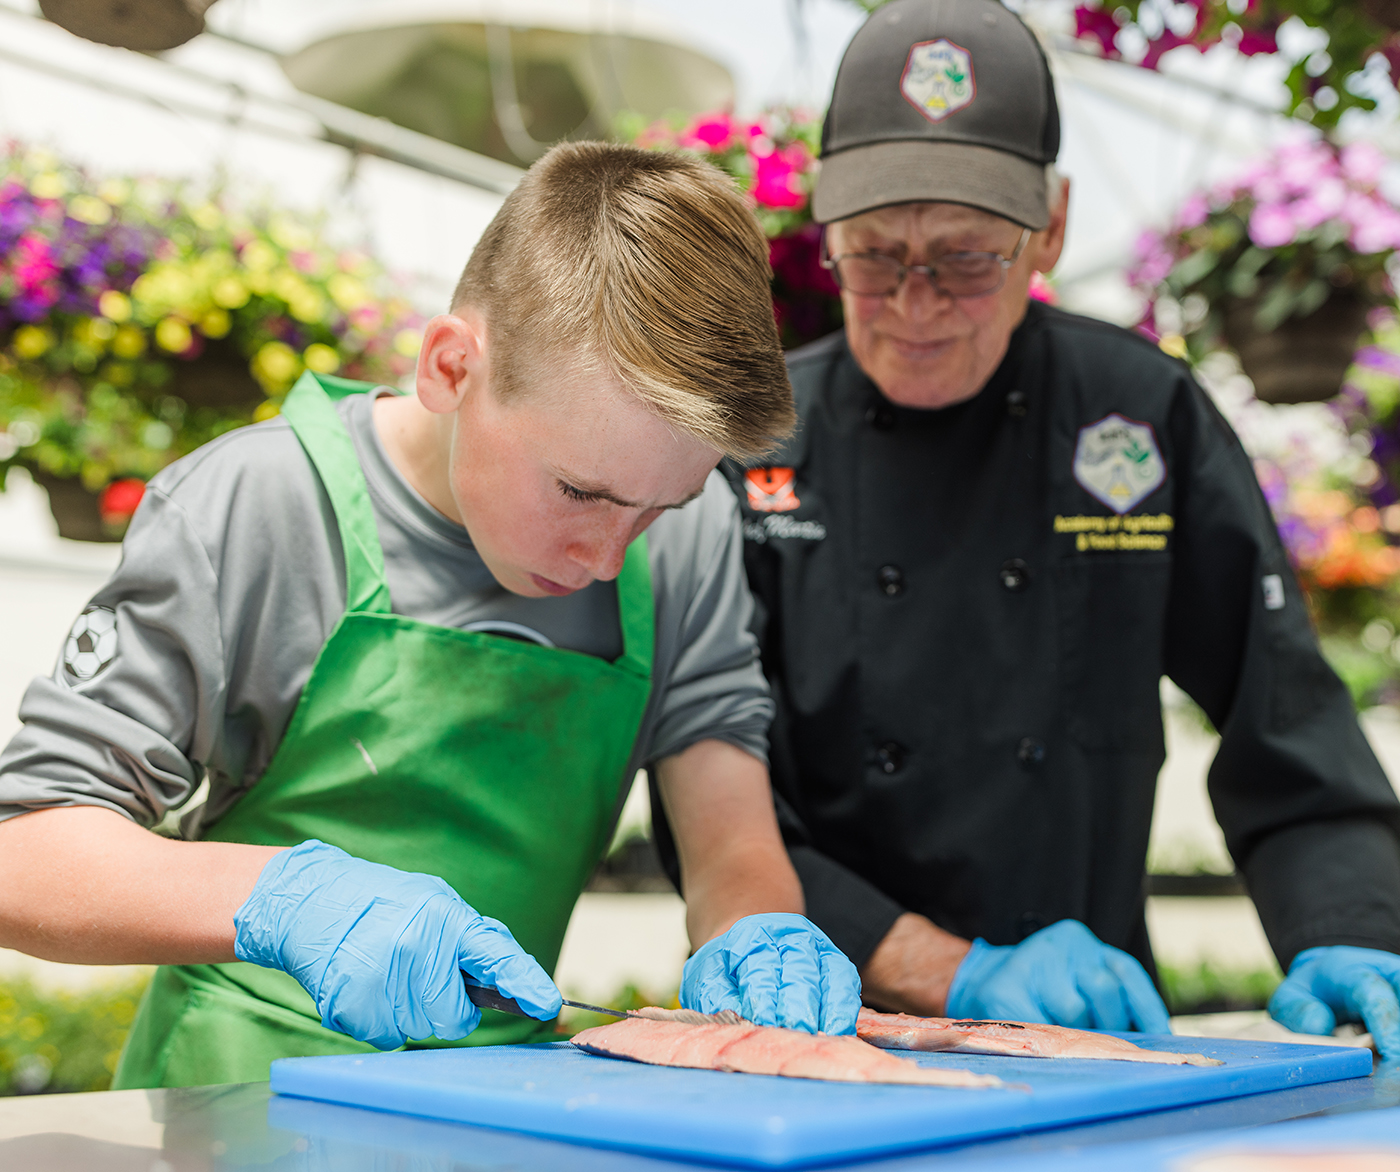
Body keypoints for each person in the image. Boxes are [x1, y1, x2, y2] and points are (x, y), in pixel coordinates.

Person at [0, 142, 861, 1089]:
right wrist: (283, 899)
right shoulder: (256, 508)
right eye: (579, 490)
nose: (607, 557)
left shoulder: (687, 548)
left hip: (504, 1112)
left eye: (663, 504)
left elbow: (730, 843)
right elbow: (26, 848)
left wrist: (760, 934)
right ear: (451, 368)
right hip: (229, 1105)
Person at [670, 0, 1400, 1052]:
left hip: (1092, 1027)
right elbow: (716, 797)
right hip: (809, 1024)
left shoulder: (1140, 415)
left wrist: (1349, 926)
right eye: (875, 255)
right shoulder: (753, 444)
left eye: (965, 258)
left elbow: (1277, 713)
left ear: (1048, 227)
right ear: (822, 234)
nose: (914, 303)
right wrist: (946, 968)